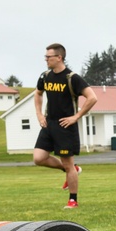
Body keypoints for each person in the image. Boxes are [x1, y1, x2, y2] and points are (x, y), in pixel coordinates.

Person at [33, 43, 97, 209]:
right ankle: (72, 169)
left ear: (59, 57)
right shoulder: (45, 76)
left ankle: (73, 201)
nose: (46, 59)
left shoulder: (72, 78)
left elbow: (92, 98)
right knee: (38, 158)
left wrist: (76, 117)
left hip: (65, 126)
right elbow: (38, 94)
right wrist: (39, 115)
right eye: (45, 57)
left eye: (49, 57)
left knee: (68, 164)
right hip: (49, 123)